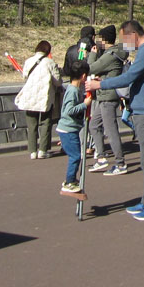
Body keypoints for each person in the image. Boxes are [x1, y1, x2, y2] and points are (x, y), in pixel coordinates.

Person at [87, 20, 144, 221]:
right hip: (143, 110)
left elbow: (129, 77)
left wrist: (100, 84)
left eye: (125, 39)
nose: (124, 44)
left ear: (132, 35)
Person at [86, 24, 128, 175]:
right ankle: (101, 157)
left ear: (103, 39)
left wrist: (91, 54)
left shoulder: (110, 55)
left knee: (111, 130)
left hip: (108, 96)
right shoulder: (116, 53)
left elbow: (90, 68)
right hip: (104, 95)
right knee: (94, 125)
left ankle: (120, 162)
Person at [15, 40, 63, 159]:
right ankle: (43, 149)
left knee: (32, 125)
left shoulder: (28, 61)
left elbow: (25, 75)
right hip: (45, 96)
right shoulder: (50, 63)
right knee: (46, 123)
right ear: (48, 51)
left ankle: (32, 151)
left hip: (30, 97)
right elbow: (57, 81)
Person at [56, 60, 93, 193]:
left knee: (76, 155)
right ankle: (69, 181)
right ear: (83, 76)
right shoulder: (72, 91)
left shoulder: (74, 90)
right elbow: (69, 110)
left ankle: (71, 180)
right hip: (68, 129)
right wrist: (85, 104)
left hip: (71, 128)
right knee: (76, 156)